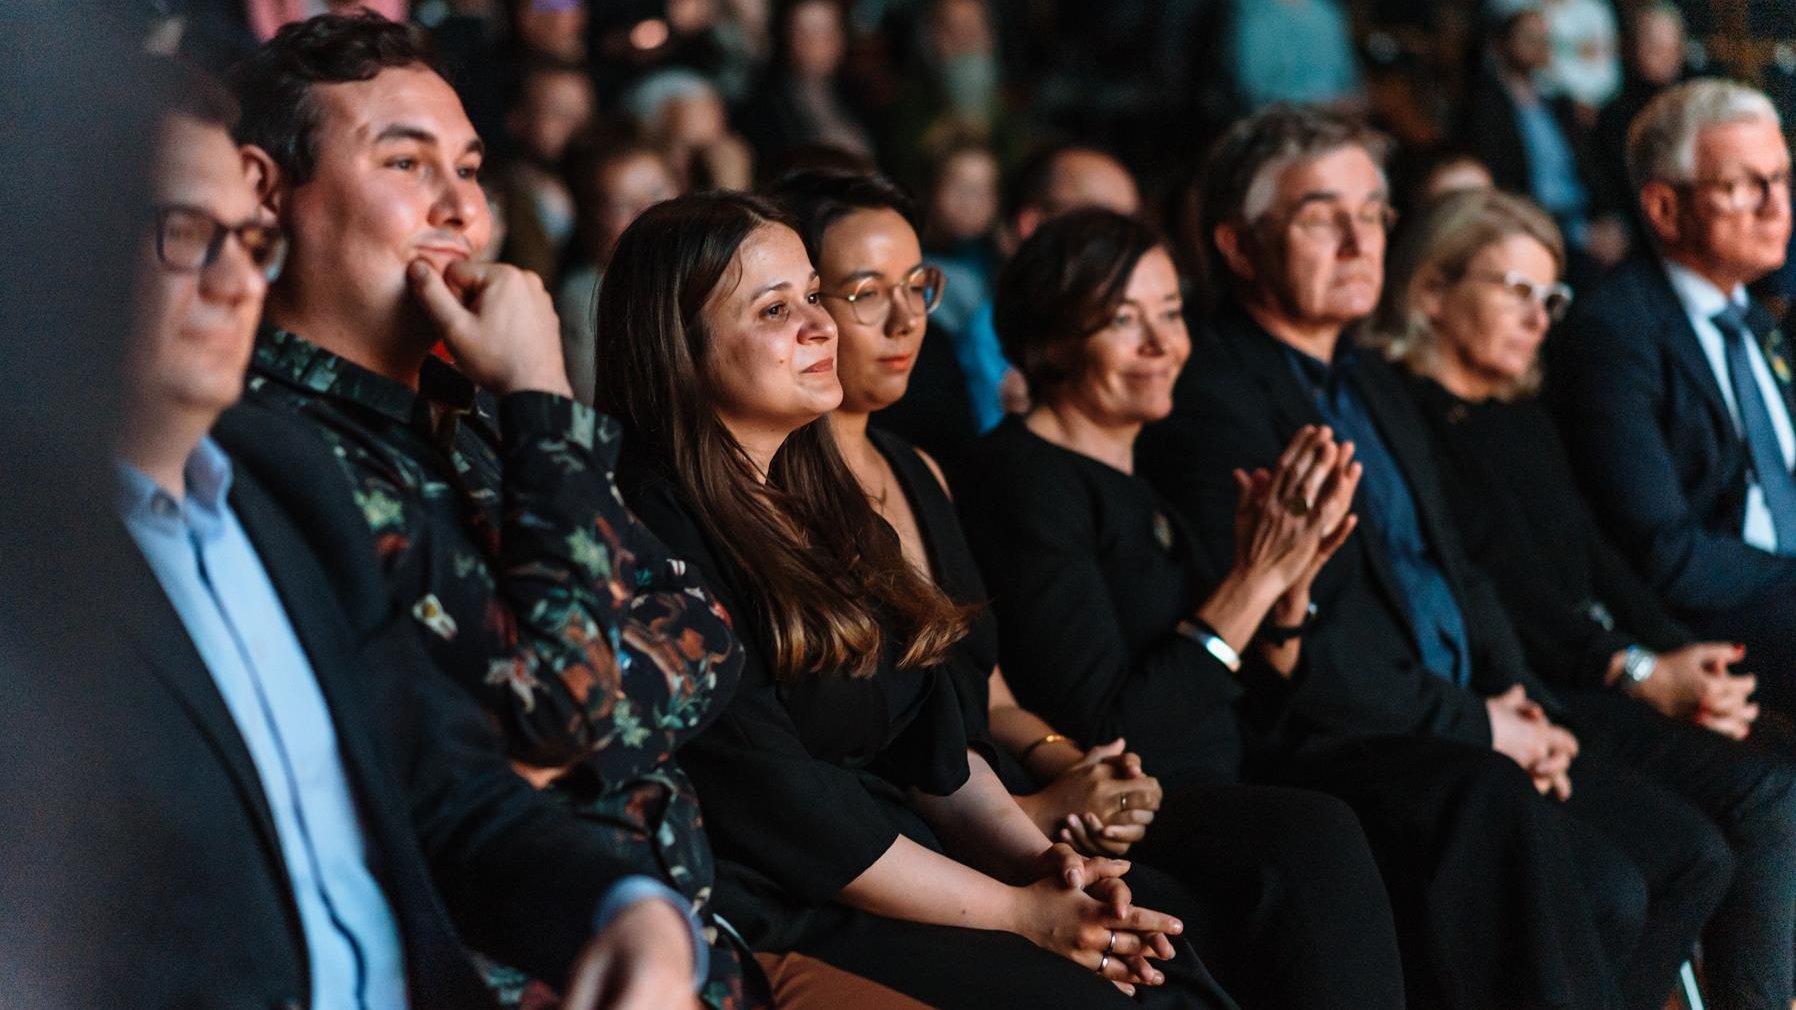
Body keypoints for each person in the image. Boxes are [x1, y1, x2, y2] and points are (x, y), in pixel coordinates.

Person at [22, 54, 704, 1010]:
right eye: (184, 234)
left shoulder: (281, 488)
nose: (231, 282)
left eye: (243, 242)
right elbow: (553, 712)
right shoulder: (51, 563)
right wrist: (543, 397)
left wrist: (628, 911)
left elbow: (457, 788)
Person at [1137, 103, 1732, 1010]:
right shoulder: (1213, 398)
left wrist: (1517, 698)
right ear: (1239, 245)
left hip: (1468, 719)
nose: (1359, 239)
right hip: (1345, 739)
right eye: (1321, 215)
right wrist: (1482, 726)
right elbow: (1296, 653)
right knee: (1599, 882)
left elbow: (1459, 568)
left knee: (1692, 853)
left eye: (1373, 213)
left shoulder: (1374, 378)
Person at [221, 13, 758, 1006]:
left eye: (468, 169)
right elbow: (564, 708)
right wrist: (542, 399)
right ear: (267, 194)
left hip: (702, 948)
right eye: (406, 163)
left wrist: (545, 734)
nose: (459, 208)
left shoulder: (471, 414)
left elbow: (707, 633)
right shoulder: (262, 452)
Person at [778, 169, 1407, 1010]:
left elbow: (987, 694)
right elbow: (902, 745)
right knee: (1248, 886)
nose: (904, 321)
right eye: (865, 293)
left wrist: (1070, 764)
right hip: (932, 824)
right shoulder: (829, 488)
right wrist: (1046, 800)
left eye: (918, 287)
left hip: (1016, 788)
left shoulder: (917, 467)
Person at [596, 190, 1232, 1010]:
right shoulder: (651, 523)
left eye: (815, 296)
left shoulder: (814, 489)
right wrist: (1018, 912)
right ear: (676, 345)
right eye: (774, 308)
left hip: (911, 859)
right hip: (789, 903)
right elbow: (781, 805)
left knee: (1171, 956)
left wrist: (1041, 866)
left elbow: (931, 731)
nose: (821, 326)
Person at [1369, 186, 1796, 1010]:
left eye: (1551, 297)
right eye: (1515, 290)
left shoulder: (1521, 415)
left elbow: (1597, 561)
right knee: (1754, 803)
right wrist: (1632, 668)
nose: (1540, 316)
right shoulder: (1410, 415)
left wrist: (1684, 656)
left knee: (1770, 771)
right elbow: (1502, 591)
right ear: (1431, 292)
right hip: (1534, 686)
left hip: (1593, 666)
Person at [1547, 79, 1796, 714]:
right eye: (1744, 185)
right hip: (1713, 615)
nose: (1777, 207)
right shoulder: (1614, 334)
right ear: (1663, 208)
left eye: (1782, 178)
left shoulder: (1757, 321)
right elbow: (1665, 553)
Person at [1463, 5, 1626, 280]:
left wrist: (1612, 219)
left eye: (1544, 39)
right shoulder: (1486, 110)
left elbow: (1592, 170)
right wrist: (1580, 235)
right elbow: (1506, 188)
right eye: (1529, 37)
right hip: (1536, 224)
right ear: (1502, 43)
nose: (1539, 46)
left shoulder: (1559, 104)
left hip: (1584, 216)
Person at [557, 141, 680, 405]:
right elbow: (593, 397)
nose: (648, 212)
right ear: (589, 221)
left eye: (657, 193)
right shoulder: (585, 296)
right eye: (622, 206)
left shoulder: (697, 270)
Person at [737, 0, 876, 168]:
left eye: (826, 32)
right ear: (784, 37)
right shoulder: (762, 108)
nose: (815, 44)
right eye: (804, 32)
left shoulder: (862, 96)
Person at [496, 59, 593, 282]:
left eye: (583, 114)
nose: (576, 127)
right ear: (517, 119)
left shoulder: (592, 185)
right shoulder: (503, 195)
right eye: (558, 114)